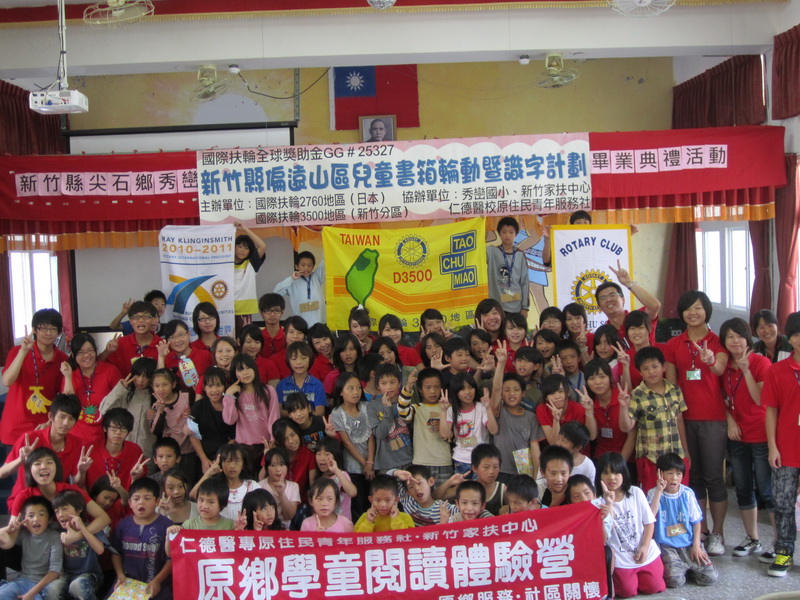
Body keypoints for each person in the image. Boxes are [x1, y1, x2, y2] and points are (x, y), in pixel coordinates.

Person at [664, 290, 728, 555]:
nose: (693, 313)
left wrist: (710, 360)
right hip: (683, 419)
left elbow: (720, 368)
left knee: (714, 476)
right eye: (688, 308)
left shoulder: (717, 341)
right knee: (694, 476)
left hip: (713, 418)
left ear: (706, 311)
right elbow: (670, 384)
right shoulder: (673, 344)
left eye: (698, 308)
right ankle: (701, 531)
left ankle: (718, 533)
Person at [719, 317, 775, 562]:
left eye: (739, 336)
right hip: (737, 436)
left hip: (761, 434)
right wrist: (730, 421)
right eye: (730, 337)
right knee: (742, 489)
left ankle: (778, 544)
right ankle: (753, 538)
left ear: (748, 338)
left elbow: (761, 398)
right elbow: (721, 398)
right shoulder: (724, 366)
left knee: (767, 489)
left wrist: (745, 370)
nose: (735, 341)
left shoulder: (761, 362)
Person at [620, 346, 689, 494]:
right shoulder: (637, 394)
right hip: (650, 458)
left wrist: (686, 451)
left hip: (676, 456)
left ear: (664, 367)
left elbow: (680, 422)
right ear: (640, 372)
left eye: (654, 366)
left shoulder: (675, 390)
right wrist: (623, 407)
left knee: (678, 497)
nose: (651, 372)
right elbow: (626, 427)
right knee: (652, 500)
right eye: (645, 368)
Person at [0, 393, 83, 513]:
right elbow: (2, 473)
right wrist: (20, 460)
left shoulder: (76, 443)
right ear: (51, 416)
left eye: (71, 418)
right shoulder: (29, 438)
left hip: (56, 504)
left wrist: (82, 471)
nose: (66, 423)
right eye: (62, 417)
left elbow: (77, 482)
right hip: (25, 503)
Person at [597, 452, 665, 598]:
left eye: (616, 472)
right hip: (621, 558)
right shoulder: (598, 503)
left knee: (654, 587)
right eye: (606, 473)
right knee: (627, 591)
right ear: (599, 476)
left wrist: (644, 547)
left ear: (624, 473)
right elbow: (604, 537)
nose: (611, 477)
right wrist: (609, 504)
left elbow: (649, 523)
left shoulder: (636, 492)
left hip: (645, 550)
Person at [763, 311, 800, 577]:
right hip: (786, 449)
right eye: (796, 335)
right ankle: (784, 552)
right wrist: (772, 446)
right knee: (783, 504)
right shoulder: (777, 370)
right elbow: (771, 411)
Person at [647, 453, 718, 589]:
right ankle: (683, 569)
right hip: (667, 546)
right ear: (660, 474)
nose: (674, 478)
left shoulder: (687, 493)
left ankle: (689, 569)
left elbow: (696, 522)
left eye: (678, 474)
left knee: (710, 577)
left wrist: (696, 545)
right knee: (674, 581)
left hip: (689, 544)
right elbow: (650, 516)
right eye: (670, 473)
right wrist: (659, 492)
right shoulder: (653, 493)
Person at [1, 308, 68, 446]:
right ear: (34, 330)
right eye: (43, 328)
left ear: (59, 332)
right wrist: (23, 352)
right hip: (15, 428)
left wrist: (51, 422)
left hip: (44, 427)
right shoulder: (17, 351)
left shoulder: (62, 359)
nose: (48, 333)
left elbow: (63, 397)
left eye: (53, 329)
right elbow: (7, 381)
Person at [110, 477, 172, 600]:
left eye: (147, 498)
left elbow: (171, 559)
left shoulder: (167, 525)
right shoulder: (123, 525)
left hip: (158, 585)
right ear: (130, 503)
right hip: (127, 584)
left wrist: (157, 581)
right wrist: (120, 575)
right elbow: (116, 552)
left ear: (157, 501)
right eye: (136, 499)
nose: (141, 502)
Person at [490, 342, 543, 481]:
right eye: (507, 390)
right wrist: (501, 363)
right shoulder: (498, 411)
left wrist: (536, 477)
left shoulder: (531, 417)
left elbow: (535, 448)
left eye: (516, 390)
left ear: (523, 393)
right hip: (501, 471)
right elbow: (496, 388)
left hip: (524, 472)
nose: (511, 394)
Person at [60, 333, 122, 447]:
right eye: (81, 352)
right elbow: (68, 406)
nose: (86, 355)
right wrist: (68, 377)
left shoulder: (110, 371)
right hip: (75, 436)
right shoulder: (70, 374)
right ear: (73, 355)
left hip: (105, 434)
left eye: (90, 350)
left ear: (96, 351)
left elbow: (121, 401)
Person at [51, 489, 111, 600]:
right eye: (57, 511)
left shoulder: (93, 527)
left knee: (77, 585)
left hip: (90, 575)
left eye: (65, 509)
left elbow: (100, 550)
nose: (60, 514)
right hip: (67, 575)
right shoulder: (58, 531)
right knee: (52, 589)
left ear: (79, 509)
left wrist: (82, 528)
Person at [397, 368, 453, 487]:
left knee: (444, 496)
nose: (433, 391)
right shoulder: (416, 408)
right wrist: (408, 388)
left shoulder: (448, 408)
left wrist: (443, 428)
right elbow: (402, 412)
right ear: (420, 389)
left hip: (444, 461)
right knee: (421, 494)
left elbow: (454, 436)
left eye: (437, 387)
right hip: (421, 461)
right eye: (428, 387)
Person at [329, 372, 373, 520]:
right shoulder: (337, 413)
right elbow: (347, 443)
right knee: (358, 506)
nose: (356, 392)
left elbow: (371, 437)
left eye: (358, 388)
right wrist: (364, 463)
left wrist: (370, 463)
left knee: (373, 502)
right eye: (350, 388)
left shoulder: (367, 407)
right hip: (352, 466)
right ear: (340, 391)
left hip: (372, 463)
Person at [0, 496, 62, 600]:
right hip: (22, 581)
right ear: (24, 520)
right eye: (31, 515)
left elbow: (55, 571)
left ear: (50, 519)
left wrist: (31, 593)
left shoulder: (54, 537)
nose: (36, 519)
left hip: (41, 586)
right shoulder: (24, 533)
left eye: (41, 514)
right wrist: (11, 528)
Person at [223, 354, 280, 464]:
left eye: (248, 368)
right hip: (243, 447)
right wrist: (229, 395)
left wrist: (273, 440)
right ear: (234, 373)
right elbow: (229, 420)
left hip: (266, 445)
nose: (245, 372)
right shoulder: (235, 395)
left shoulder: (268, 390)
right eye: (240, 370)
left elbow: (274, 417)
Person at [439, 372, 497, 473]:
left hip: (481, 459)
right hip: (460, 459)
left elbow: (494, 430)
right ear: (456, 392)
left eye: (470, 387)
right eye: (462, 389)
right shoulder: (451, 410)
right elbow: (444, 434)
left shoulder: (481, 407)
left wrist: (488, 408)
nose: (468, 392)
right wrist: (443, 411)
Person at [594, 260, 661, 348]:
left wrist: (629, 283)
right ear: (599, 307)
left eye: (612, 295)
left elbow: (655, 306)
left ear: (623, 300)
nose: (609, 300)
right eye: (603, 298)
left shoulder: (639, 317)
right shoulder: (604, 332)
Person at [99, 357, 157, 456]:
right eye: (137, 375)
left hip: (147, 450)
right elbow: (103, 409)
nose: (140, 380)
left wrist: (157, 414)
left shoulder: (156, 396)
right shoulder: (125, 393)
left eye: (145, 376)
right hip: (123, 448)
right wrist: (119, 388)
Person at [82, 407, 144, 497]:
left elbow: (139, 488)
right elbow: (79, 484)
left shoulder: (135, 450)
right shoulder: (90, 449)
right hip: (92, 501)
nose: (118, 432)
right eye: (114, 428)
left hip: (125, 501)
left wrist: (136, 477)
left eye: (123, 429)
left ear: (129, 432)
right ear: (105, 428)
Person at [190, 444, 259, 521]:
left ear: (243, 464)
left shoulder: (252, 486)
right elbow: (193, 494)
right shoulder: (215, 485)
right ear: (221, 464)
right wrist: (209, 472)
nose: (232, 466)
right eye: (228, 461)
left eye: (237, 461)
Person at [188, 367, 236, 474]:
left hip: (227, 456)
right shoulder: (198, 406)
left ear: (225, 386)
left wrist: (220, 459)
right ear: (204, 388)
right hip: (204, 457)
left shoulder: (231, 405)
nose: (214, 390)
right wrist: (204, 459)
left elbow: (234, 437)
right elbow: (193, 435)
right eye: (210, 386)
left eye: (218, 385)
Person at [585, 358, 635, 461]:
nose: (598, 382)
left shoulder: (624, 398)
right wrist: (589, 412)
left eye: (602, 377)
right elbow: (592, 436)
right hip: (601, 457)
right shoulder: (588, 403)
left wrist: (620, 464)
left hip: (626, 458)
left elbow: (632, 436)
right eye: (592, 378)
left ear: (610, 377)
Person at [367, 364, 413, 472]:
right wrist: (388, 409)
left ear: (399, 383)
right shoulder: (373, 406)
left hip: (408, 459)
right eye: (384, 383)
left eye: (392, 382)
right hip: (386, 464)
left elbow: (412, 429)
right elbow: (380, 434)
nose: (389, 387)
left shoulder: (404, 402)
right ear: (378, 385)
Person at [101, 301, 162, 378]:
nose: (141, 320)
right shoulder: (120, 343)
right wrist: (107, 351)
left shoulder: (162, 345)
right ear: (130, 321)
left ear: (153, 320)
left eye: (146, 316)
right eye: (136, 317)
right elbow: (98, 367)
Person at [486, 216, 530, 316]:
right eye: (504, 232)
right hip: (497, 307)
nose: (507, 235)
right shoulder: (492, 252)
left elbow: (525, 282)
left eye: (511, 232)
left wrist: (525, 307)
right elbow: (477, 249)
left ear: (516, 234)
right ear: (499, 233)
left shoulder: (520, 255)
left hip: (516, 306)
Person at [389, 465, 457, 526]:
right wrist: (397, 472)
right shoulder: (407, 499)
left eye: (419, 483)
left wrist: (444, 524)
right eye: (411, 487)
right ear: (408, 492)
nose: (417, 489)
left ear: (430, 481)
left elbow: (462, 512)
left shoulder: (444, 508)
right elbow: (387, 479)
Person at [156, 320, 213, 392]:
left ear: (188, 334)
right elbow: (159, 382)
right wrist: (161, 357)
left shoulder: (205, 355)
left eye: (181, 335)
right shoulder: (167, 358)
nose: (177, 340)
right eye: (172, 337)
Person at [169, 477, 234, 539]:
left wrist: (238, 530)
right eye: (201, 500)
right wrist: (170, 534)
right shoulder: (189, 525)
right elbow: (175, 546)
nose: (204, 506)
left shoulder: (230, 526)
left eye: (211, 502)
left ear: (222, 504)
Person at [274, 250, 326, 327]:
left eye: (309, 265)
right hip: (301, 325)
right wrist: (291, 279)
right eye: (303, 265)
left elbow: (326, 261)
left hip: (319, 323)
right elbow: (276, 292)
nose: (306, 268)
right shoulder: (292, 282)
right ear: (296, 266)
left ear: (313, 266)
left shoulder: (316, 277)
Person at [274, 341, 326, 416]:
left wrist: (300, 416)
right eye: (294, 359)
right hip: (288, 423)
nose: (299, 362)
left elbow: (320, 412)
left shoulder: (317, 384)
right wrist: (297, 415)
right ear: (288, 361)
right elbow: (278, 411)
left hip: (311, 423)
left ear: (310, 359)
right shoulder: (281, 385)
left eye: (303, 358)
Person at [232, 220, 266, 334]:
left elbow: (262, 246)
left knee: (244, 338)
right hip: (226, 309)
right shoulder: (224, 263)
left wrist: (245, 229)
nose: (242, 250)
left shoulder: (251, 263)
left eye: (246, 248)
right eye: (240, 246)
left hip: (244, 310)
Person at [258, 447, 301, 529]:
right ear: (266, 467)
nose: (278, 469)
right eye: (273, 465)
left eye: (281, 464)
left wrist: (281, 494)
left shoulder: (293, 486)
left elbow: (289, 516)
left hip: (285, 530)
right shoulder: (259, 486)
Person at [257, 293, 287, 360]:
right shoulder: (257, 337)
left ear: (282, 312)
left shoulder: (287, 336)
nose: (272, 314)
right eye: (268, 310)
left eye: (276, 310)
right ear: (261, 313)